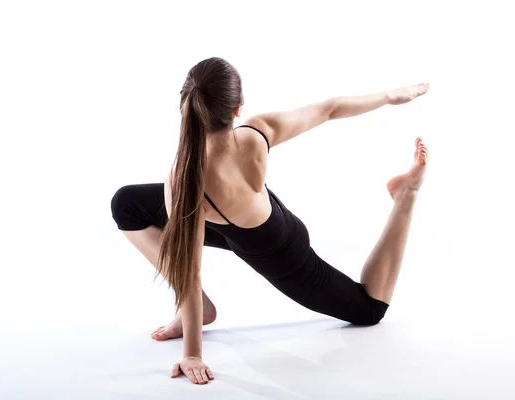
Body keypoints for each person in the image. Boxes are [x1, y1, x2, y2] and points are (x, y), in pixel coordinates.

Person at [110, 57, 430, 385]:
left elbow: (189, 271)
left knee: (370, 310)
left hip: (279, 252)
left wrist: (193, 354)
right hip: (236, 225)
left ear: (187, 108)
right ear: (237, 109)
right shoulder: (256, 132)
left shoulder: (183, 183)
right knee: (127, 204)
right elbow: (329, 108)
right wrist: (390, 96)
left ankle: (406, 195)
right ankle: (203, 309)